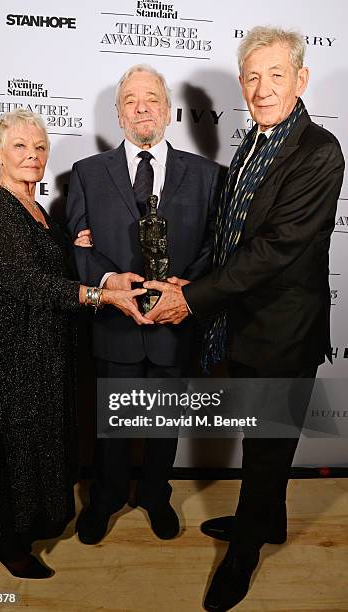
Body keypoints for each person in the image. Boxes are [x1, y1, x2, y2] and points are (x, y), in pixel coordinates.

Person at [143, 27, 345, 610]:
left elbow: (278, 248)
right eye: (252, 76)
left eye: (276, 75)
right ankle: (268, 520)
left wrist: (197, 298)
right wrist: (194, 281)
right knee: (263, 442)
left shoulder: (318, 151)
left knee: (266, 447)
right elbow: (233, 235)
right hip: (245, 323)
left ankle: (244, 556)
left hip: (285, 331)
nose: (262, 88)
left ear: (301, 79)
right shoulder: (254, 141)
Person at [0, 109, 148, 580]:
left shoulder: (40, 211)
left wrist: (82, 251)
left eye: (40, 148)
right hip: (3, 350)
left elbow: (56, 265)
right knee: (9, 442)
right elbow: (27, 282)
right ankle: (5, 543)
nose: (32, 156)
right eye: (20, 147)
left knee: (36, 440)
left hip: (40, 348)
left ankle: (25, 528)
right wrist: (102, 295)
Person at [66, 64, 222, 545]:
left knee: (165, 423)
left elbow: (217, 248)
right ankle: (106, 498)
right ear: (118, 113)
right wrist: (111, 282)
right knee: (112, 423)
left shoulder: (210, 176)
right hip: (115, 323)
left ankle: (155, 495)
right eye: (131, 100)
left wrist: (185, 291)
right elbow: (77, 245)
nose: (141, 107)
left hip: (176, 322)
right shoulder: (87, 174)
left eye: (151, 98)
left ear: (169, 109)